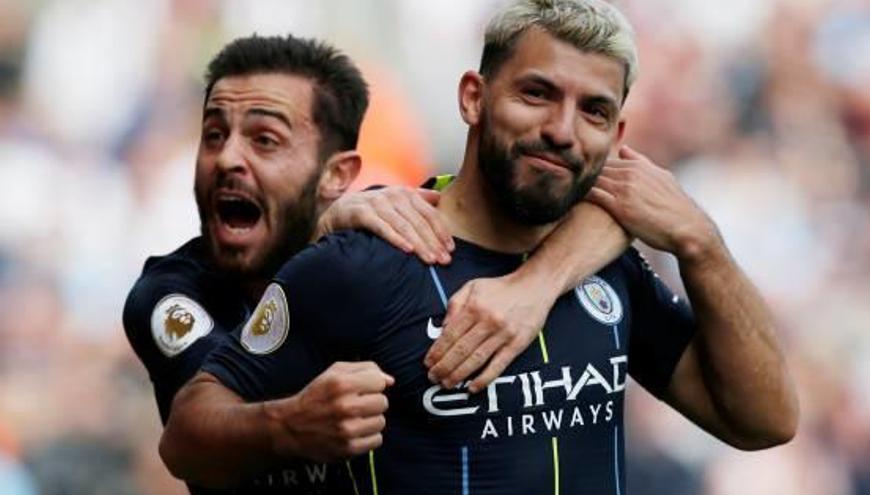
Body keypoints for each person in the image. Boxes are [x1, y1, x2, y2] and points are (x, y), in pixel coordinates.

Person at [163, 0, 799, 493]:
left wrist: (703, 244)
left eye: (594, 112)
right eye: (536, 93)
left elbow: (763, 420)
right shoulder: (367, 262)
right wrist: (289, 426)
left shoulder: (608, 265)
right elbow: (187, 437)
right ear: (473, 97)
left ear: (618, 134)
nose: (561, 131)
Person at [124, 34, 629, 493]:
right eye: (212, 135)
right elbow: (199, 424)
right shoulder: (169, 295)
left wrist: (536, 285)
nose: (228, 158)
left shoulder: (391, 232)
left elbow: (628, 194)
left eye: (265, 140)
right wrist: (291, 423)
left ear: (336, 174)